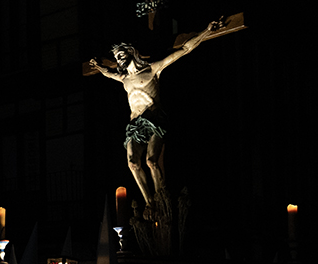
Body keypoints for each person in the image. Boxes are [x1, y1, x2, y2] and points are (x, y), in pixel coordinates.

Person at [90, 18, 224, 214]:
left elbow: (184, 50)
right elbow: (107, 73)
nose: (119, 59)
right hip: (135, 124)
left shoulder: (152, 69)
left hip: (154, 119)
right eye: (117, 58)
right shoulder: (123, 78)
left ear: (131, 51)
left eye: (121, 54)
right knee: (133, 164)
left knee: (152, 161)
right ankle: (149, 202)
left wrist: (206, 31)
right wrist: (98, 66)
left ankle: (162, 198)